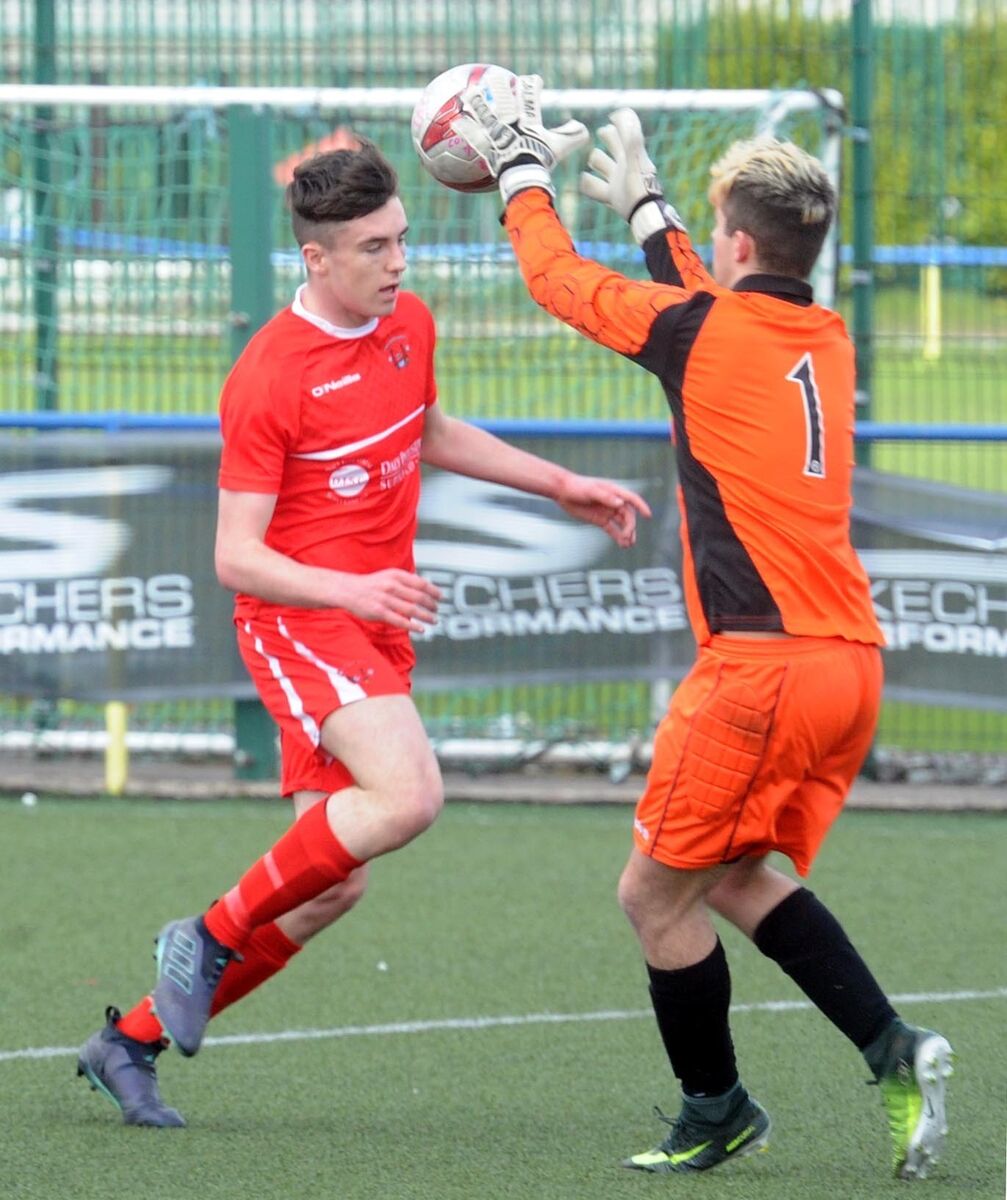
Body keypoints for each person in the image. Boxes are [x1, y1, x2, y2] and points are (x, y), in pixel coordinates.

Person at [76, 138, 650, 1128]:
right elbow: (234, 557)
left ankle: (127, 1042)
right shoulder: (266, 377)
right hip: (299, 621)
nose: (397, 263)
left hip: (371, 622)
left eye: (401, 240)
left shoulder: (406, 321)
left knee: (329, 888)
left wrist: (559, 483)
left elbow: (427, 429)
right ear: (316, 259)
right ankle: (205, 934)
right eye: (374, 248)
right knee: (411, 792)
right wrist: (353, 587)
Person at [450, 73, 954, 1182]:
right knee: (724, 876)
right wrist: (651, 214)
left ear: (733, 239)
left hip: (760, 668)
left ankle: (715, 1109)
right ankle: (892, 1047)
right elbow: (705, 307)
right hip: (846, 665)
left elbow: (553, 280)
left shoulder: (702, 328)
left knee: (648, 893)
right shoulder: (816, 334)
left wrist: (519, 170)